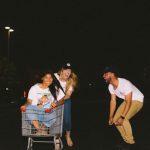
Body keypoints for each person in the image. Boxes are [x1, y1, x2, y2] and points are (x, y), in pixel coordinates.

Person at [102, 66, 144, 148]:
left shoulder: (125, 83)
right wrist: (110, 116)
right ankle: (126, 140)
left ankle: (131, 143)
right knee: (115, 120)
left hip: (137, 100)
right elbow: (113, 101)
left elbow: (129, 101)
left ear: (112, 74)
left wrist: (122, 116)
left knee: (123, 119)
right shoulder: (110, 86)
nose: (103, 76)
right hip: (127, 101)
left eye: (105, 74)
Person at [20, 70, 65, 135]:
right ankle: (39, 129)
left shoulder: (55, 88)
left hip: (48, 113)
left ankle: (43, 129)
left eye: (51, 77)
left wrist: (56, 104)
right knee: (28, 108)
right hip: (36, 113)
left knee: (54, 115)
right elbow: (29, 101)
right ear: (42, 78)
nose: (49, 79)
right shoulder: (34, 88)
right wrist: (24, 105)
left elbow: (62, 100)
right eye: (46, 77)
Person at [54, 62, 78, 147]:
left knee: (67, 120)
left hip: (65, 100)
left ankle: (67, 135)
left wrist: (58, 102)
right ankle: (57, 139)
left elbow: (68, 95)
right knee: (55, 120)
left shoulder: (71, 81)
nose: (68, 72)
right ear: (61, 70)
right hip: (52, 101)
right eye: (66, 70)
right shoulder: (54, 77)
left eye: (70, 71)